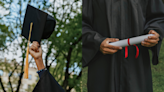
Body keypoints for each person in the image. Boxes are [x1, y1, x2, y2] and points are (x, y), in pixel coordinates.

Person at [82, 0, 164, 92]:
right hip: (103, 67)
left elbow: (157, 17)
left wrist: (154, 31)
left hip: (136, 65)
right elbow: (82, 23)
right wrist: (97, 41)